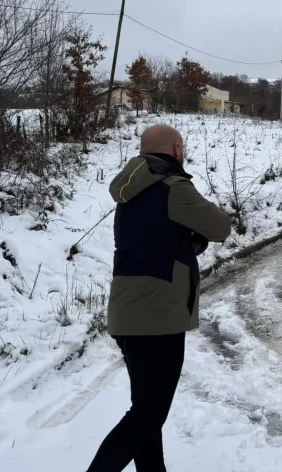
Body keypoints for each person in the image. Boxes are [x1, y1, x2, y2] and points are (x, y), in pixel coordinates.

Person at [86, 123, 232, 472]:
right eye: (182, 148)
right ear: (176, 150)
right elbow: (220, 227)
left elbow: (156, 241)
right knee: (148, 415)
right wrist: (195, 239)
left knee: (146, 412)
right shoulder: (174, 188)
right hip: (159, 314)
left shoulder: (131, 190)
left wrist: (186, 243)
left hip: (127, 312)